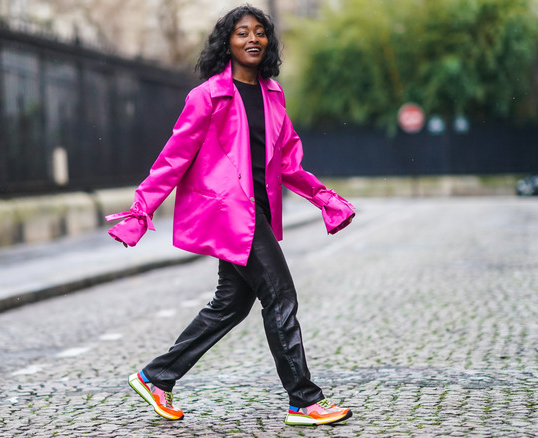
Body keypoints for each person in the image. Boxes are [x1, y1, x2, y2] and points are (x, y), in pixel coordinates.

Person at [105, 4, 355, 426]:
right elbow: (174, 158)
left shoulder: (273, 94)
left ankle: (156, 377)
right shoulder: (207, 96)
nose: (253, 39)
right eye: (242, 33)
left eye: (260, 32)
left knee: (230, 306)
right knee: (280, 297)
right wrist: (141, 210)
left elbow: (289, 163)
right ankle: (304, 400)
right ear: (228, 42)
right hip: (231, 215)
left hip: (257, 212)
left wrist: (325, 199)